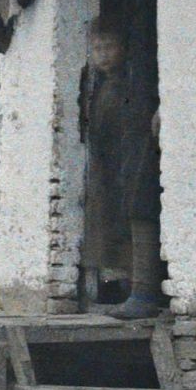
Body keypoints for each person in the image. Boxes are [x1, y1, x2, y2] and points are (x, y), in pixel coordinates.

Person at [107, 0, 165, 319]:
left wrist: (167, 100)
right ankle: (136, 286)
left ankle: (146, 292)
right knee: (131, 184)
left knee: (146, 186)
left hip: (154, 97)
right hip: (134, 96)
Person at [77, 18, 141, 310]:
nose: (103, 54)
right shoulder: (95, 86)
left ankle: (124, 284)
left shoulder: (127, 86)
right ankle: (102, 285)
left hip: (122, 163)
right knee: (101, 223)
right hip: (102, 166)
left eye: (109, 47)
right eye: (97, 48)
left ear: (124, 49)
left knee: (121, 225)